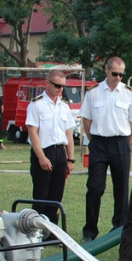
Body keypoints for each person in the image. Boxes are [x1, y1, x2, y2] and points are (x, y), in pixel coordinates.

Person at [79, 56, 132, 242]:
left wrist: (126, 142)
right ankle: (89, 231)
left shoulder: (130, 94)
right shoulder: (93, 93)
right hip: (99, 142)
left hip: (120, 143)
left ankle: (119, 228)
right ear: (106, 70)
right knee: (94, 187)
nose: (118, 78)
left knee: (121, 188)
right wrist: (94, 140)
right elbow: (87, 120)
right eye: (114, 73)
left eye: (121, 75)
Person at [26, 70, 76, 224]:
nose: (60, 89)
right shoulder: (36, 104)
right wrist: (41, 157)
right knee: (41, 194)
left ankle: (52, 230)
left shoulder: (64, 107)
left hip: (60, 152)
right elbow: (33, 132)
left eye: (62, 86)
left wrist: (71, 159)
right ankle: (38, 229)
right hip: (44, 150)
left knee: (56, 194)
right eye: (57, 85)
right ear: (47, 83)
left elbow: (68, 134)